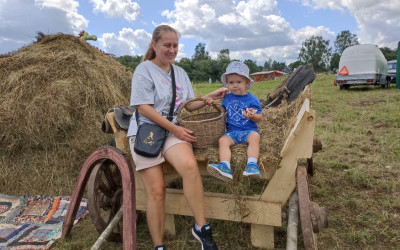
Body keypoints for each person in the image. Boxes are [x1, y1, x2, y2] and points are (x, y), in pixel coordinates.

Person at [126, 24, 227, 250]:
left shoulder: (179, 72)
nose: (172, 50)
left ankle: (201, 228)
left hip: (172, 131)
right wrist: (175, 129)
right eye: (167, 45)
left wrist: (210, 96)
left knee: (190, 167)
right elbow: (143, 107)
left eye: (175, 45)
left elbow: (188, 106)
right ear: (154, 45)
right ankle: (159, 246)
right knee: (157, 191)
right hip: (146, 132)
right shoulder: (144, 70)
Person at [207, 61, 263, 182]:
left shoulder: (252, 99)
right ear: (227, 83)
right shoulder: (227, 98)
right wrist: (213, 104)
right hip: (232, 132)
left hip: (248, 131)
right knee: (222, 141)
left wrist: (252, 116)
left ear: (246, 83)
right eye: (231, 82)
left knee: (255, 137)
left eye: (239, 82)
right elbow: (222, 110)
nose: (235, 85)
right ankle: (225, 166)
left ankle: (252, 166)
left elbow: (260, 117)